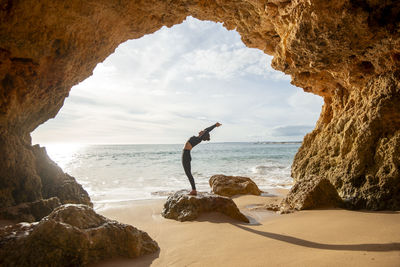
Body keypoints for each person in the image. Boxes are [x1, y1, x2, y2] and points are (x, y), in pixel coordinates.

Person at [182, 122, 222, 196]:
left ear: (203, 134)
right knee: (188, 173)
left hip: (186, 155)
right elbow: (206, 130)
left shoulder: (199, 139)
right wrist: (214, 126)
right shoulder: (198, 137)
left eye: (203, 131)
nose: (202, 130)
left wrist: (215, 125)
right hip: (185, 154)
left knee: (188, 173)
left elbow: (207, 130)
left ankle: (194, 190)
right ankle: (194, 189)